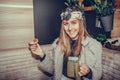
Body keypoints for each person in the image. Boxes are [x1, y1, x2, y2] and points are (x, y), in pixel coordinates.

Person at [28, 6, 102, 80]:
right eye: (66, 24)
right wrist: (41, 54)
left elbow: (98, 74)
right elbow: (54, 70)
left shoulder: (94, 45)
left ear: (81, 23)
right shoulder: (58, 44)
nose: (70, 28)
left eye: (73, 23)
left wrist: (88, 72)